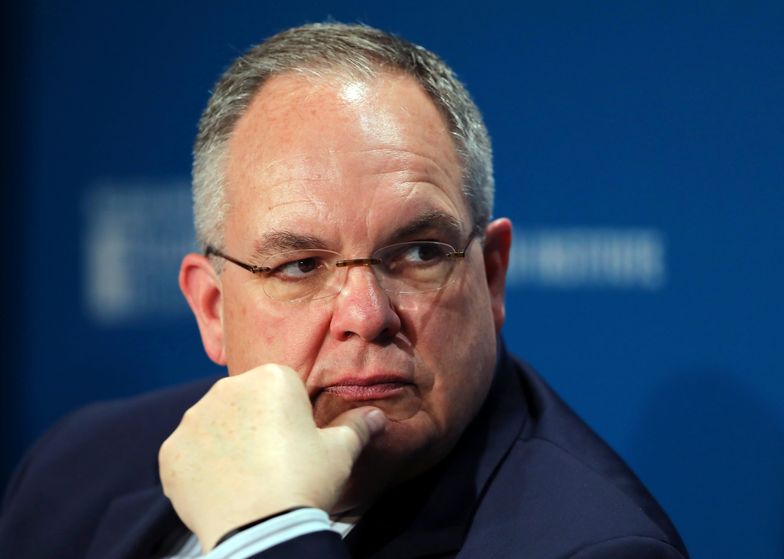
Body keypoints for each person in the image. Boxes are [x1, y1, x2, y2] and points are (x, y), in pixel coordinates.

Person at [0, 23, 689, 558]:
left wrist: (268, 535)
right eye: (300, 265)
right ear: (212, 307)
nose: (365, 315)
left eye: (419, 252)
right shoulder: (75, 469)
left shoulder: (592, 544)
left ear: (490, 273)